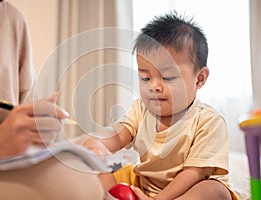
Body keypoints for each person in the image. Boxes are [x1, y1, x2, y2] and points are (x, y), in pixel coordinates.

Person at [83, 12, 239, 200]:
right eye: (146, 78)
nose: (154, 86)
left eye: (167, 77)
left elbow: (194, 173)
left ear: (199, 78)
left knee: (214, 190)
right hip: (145, 186)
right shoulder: (141, 110)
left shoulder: (208, 121)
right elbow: (118, 133)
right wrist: (98, 143)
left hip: (186, 190)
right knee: (99, 173)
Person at [0, 0, 105, 199]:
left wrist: (35, 128)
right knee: (77, 188)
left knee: (91, 155)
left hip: (5, 161)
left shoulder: (14, 20)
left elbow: (25, 118)